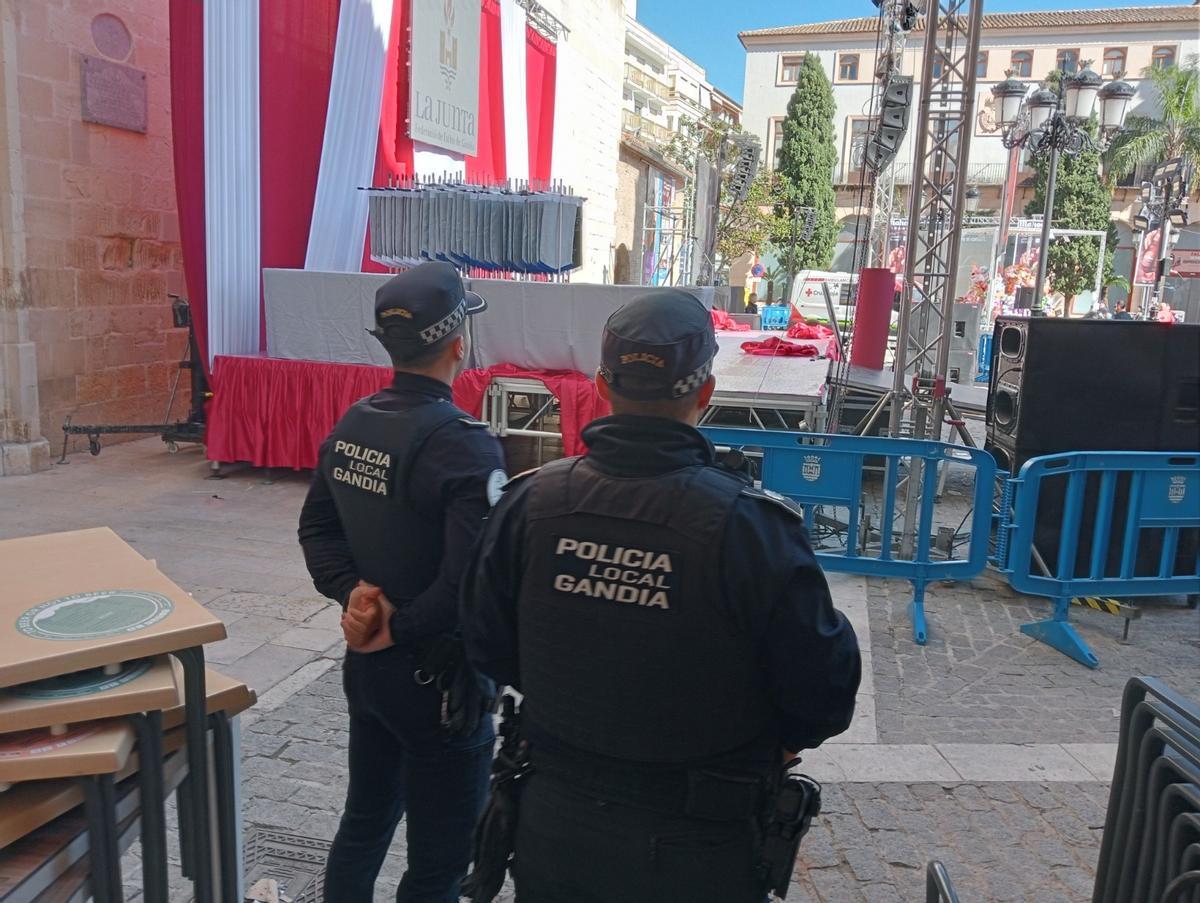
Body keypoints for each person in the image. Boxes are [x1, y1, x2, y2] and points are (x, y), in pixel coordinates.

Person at [461, 290, 862, 902]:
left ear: (601, 384)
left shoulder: (529, 502)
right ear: (706, 392)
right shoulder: (749, 528)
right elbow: (822, 692)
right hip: (695, 844)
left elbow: (487, 645)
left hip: (555, 829)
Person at [298, 261, 507, 903]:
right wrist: (399, 627)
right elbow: (468, 581)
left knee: (364, 823)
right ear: (458, 345)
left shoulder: (355, 422)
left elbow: (317, 531)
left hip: (369, 667)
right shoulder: (464, 444)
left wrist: (355, 599)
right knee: (438, 866)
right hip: (436, 677)